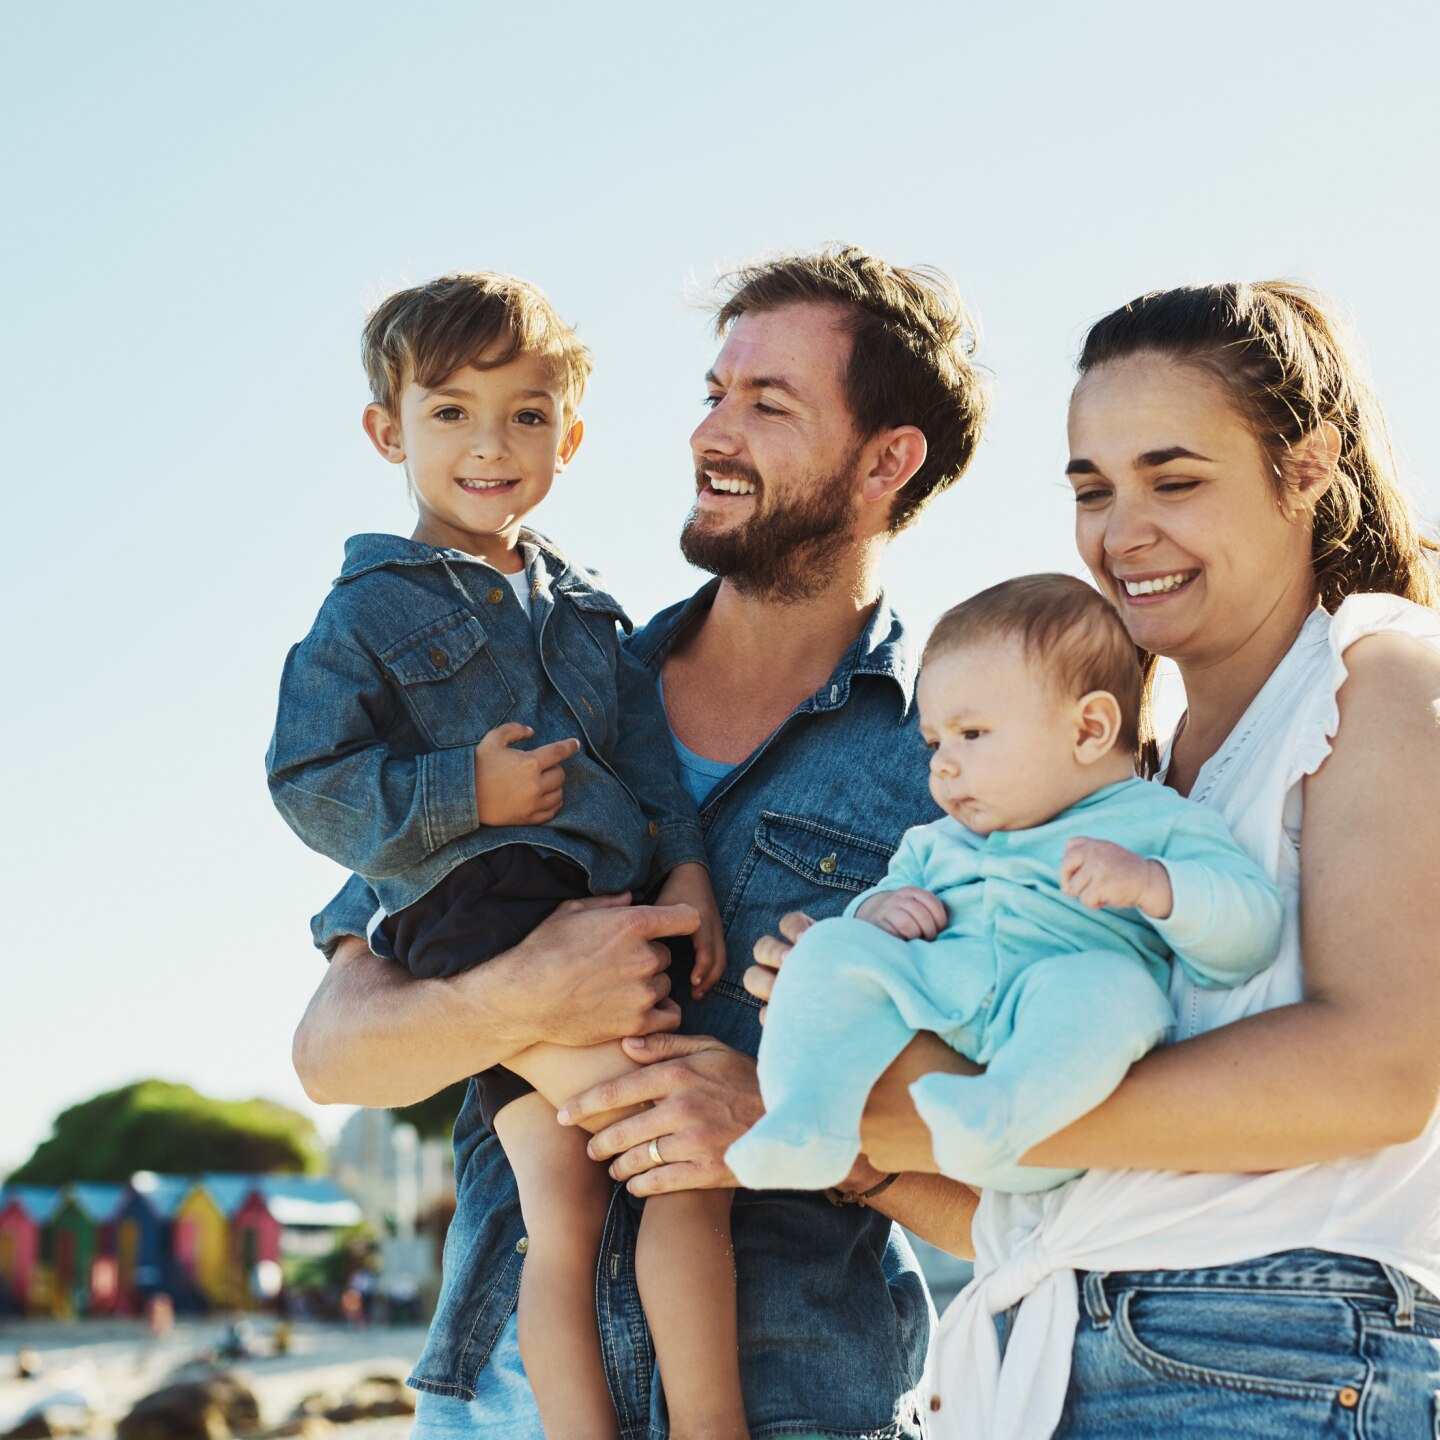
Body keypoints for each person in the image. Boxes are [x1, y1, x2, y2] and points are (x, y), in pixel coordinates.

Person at [292, 246, 991, 1438]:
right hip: (500, 1409)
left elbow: (1024, 1184)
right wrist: (521, 996)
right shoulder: (541, 682)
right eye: (713, 394)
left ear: (889, 460)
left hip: (801, 1411)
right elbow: (332, 1055)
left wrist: (794, 1126)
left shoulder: (955, 773)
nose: (710, 433)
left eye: (766, 404)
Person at [750, 280, 1440, 1439]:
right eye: (1092, 489)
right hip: (1082, 1349)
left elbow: (1379, 1071)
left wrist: (935, 1104)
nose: (1124, 532)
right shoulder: (1141, 786)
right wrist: (855, 1110)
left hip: (1275, 1350)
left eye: (1175, 480)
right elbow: (1097, 1202)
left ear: (1307, 465)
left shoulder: (1380, 675)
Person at [267, 271, 741, 1437]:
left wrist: (683, 868)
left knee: (610, 1201)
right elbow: (306, 782)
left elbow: (643, 765)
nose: (492, 445)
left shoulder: (588, 611)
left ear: (568, 438)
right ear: (390, 432)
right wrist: (456, 789)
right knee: (662, 1168)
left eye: (526, 415)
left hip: (595, 901)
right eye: (452, 413)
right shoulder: (362, 613)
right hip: (476, 908)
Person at [726, 575, 1281, 1195]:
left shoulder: (1158, 823)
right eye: (935, 741)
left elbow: (1252, 933)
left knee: (1116, 992)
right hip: (944, 1001)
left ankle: (1000, 1112)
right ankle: (807, 1117)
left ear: (1089, 730)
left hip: (1052, 1056)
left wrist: (1155, 886)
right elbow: (870, 928)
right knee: (829, 948)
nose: (941, 763)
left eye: (972, 734)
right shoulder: (934, 842)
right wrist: (877, 910)